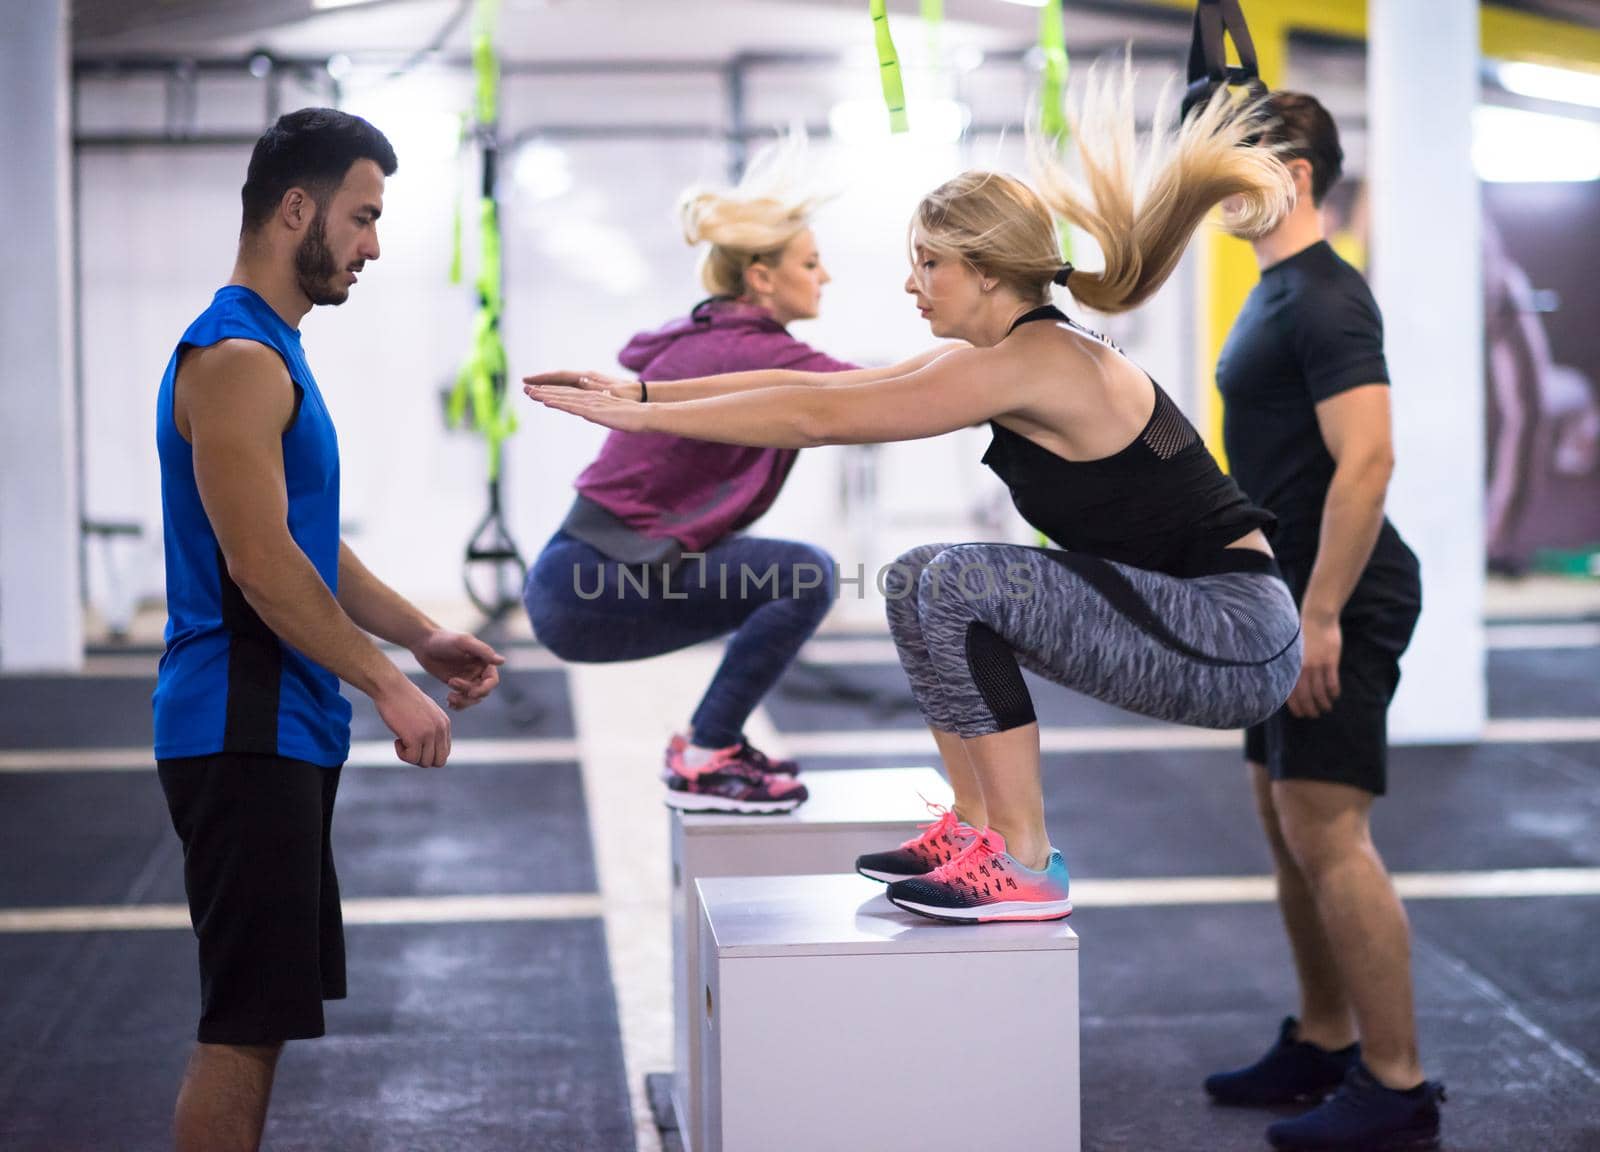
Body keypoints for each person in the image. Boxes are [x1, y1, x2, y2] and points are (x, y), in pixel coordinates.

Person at [527, 73, 1301, 923]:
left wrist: (638, 409)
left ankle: (1025, 861)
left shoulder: (1039, 361)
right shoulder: (1008, 355)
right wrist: (642, 401)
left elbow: (820, 413)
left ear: (985, 269)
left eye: (929, 264)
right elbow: (813, 389)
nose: (912, 285)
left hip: (1233, 636)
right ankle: (978, 830)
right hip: (1189, 618)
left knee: (960, 579)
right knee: (916, 576)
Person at [153, 108, 505, 1152]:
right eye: (362, 217)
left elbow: (307, 546)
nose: (374, 245)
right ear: (294, 209)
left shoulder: (273, 352)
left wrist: (423, 636)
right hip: (240, 723)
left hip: (276, 725)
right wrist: (387, 684)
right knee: (242, 1027)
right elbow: (262, 570)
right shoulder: (233, 359)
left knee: (259, 1023)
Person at [523, 138, 901, 814]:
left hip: (573, 579)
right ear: (760, 277)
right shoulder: (752, 349)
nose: (826, 277)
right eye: (811, 263)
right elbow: (880, 399)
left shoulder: (704, 337)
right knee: (805, 574)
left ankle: (708, 746)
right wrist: (1005, 373)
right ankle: (707, 751)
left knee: (782, 574)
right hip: (597, 580)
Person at [1206, 91, 1445, 1152]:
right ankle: (1322, 1038)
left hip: (1336, 597)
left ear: (1294, 174)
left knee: (1329, 832)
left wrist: (1322, 615)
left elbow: (1370, 458)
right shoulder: (1273, 290)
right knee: (1281, 821)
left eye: (1236, 164)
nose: (1214, 186)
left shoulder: (1326, 299)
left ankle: (1395, 1088)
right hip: (1284, 595)